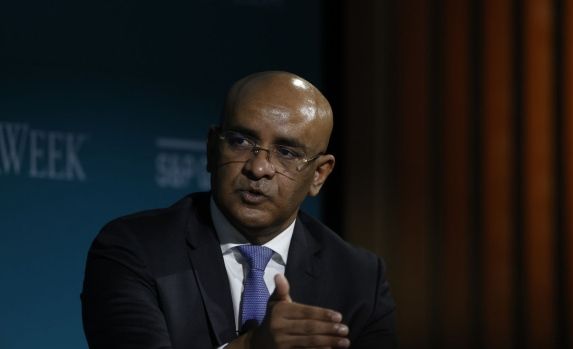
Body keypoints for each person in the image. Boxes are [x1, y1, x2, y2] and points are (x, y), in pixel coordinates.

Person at [81, 71, 397, 349]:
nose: (258, 167)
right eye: (241, 142)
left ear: (319, 175)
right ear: (211, 148)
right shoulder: (135, 249)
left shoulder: (359, 280)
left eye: (286, 152)